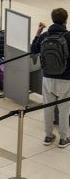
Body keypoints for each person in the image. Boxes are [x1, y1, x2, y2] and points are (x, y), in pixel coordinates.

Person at [31, 9, 70, 148]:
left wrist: (38, 32)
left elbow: (33, 49)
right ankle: (63, 138)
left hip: (47, 78)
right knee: (64, 110)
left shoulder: (45, 36)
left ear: (52, 19)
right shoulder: (68, 37)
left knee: (47, 108)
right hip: (66, 78)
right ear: (66, 20)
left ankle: (48, 136)